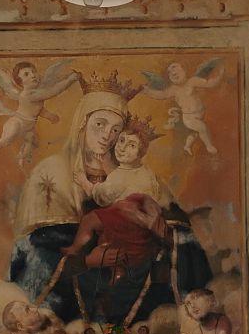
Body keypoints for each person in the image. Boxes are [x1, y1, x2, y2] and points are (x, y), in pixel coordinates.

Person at [8, 89, 212, 326]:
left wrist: (159, 230)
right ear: (82, 123)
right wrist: (86, 261)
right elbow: (35, 251)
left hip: (133, 275)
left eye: (116, 130)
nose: (107, 136)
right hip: (75, 286)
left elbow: (180, 234)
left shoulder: (141, 175)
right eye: (100, 124)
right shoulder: (52, 172)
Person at [60, 119, 173, 285]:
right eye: (121, 140)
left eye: (131, 145)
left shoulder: (119, 177)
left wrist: (85, 183)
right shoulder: (145, 172)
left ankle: (75, 248)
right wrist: (106, 164)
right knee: (113, 248)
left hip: (125, 218)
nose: (122, 147)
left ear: (141, 153)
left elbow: (103, 196)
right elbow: (121, 181)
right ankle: (118, 273)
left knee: (89, 220)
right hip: (140, 229)